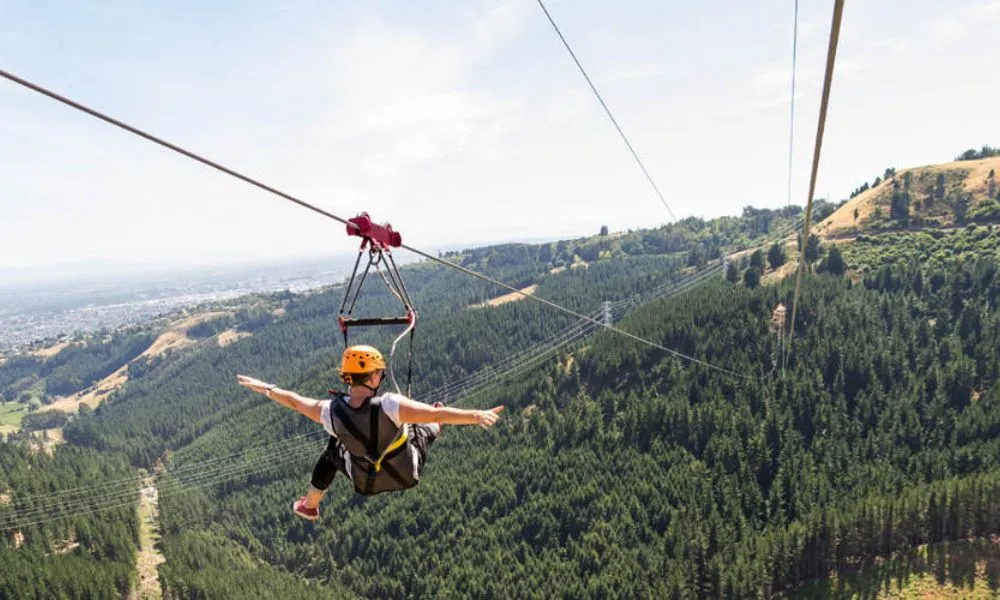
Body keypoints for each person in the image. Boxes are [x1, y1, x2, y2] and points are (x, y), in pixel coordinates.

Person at [237, 344, 504, 520]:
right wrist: (476, 415)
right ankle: (434, 431)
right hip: (406, 473)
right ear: (374, 377)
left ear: (347, 377)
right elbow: (435, 415)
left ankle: (310, 505)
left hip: (365, 482)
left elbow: (294, 401)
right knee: (426, 426)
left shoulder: (331, 411)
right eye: (380, 374)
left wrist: (265, 388)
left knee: (333, 450)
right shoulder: (390, 405)